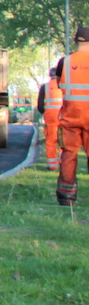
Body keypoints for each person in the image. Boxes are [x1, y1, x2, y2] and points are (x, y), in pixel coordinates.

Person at [53, 26, 89, 205]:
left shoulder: (65, 62)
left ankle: (66, 196)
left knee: (69, 154)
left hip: (71, 116)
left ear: (76, 41)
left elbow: (60, 84)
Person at [40, 62, 63, 177]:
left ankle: (53, 165)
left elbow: (40, 105)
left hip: (51, 117)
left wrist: (44, 114)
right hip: (64, 116)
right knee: (64, 140)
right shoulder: (65, 85)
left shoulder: (45, 87)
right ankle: (64, 162)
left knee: (51, 140)